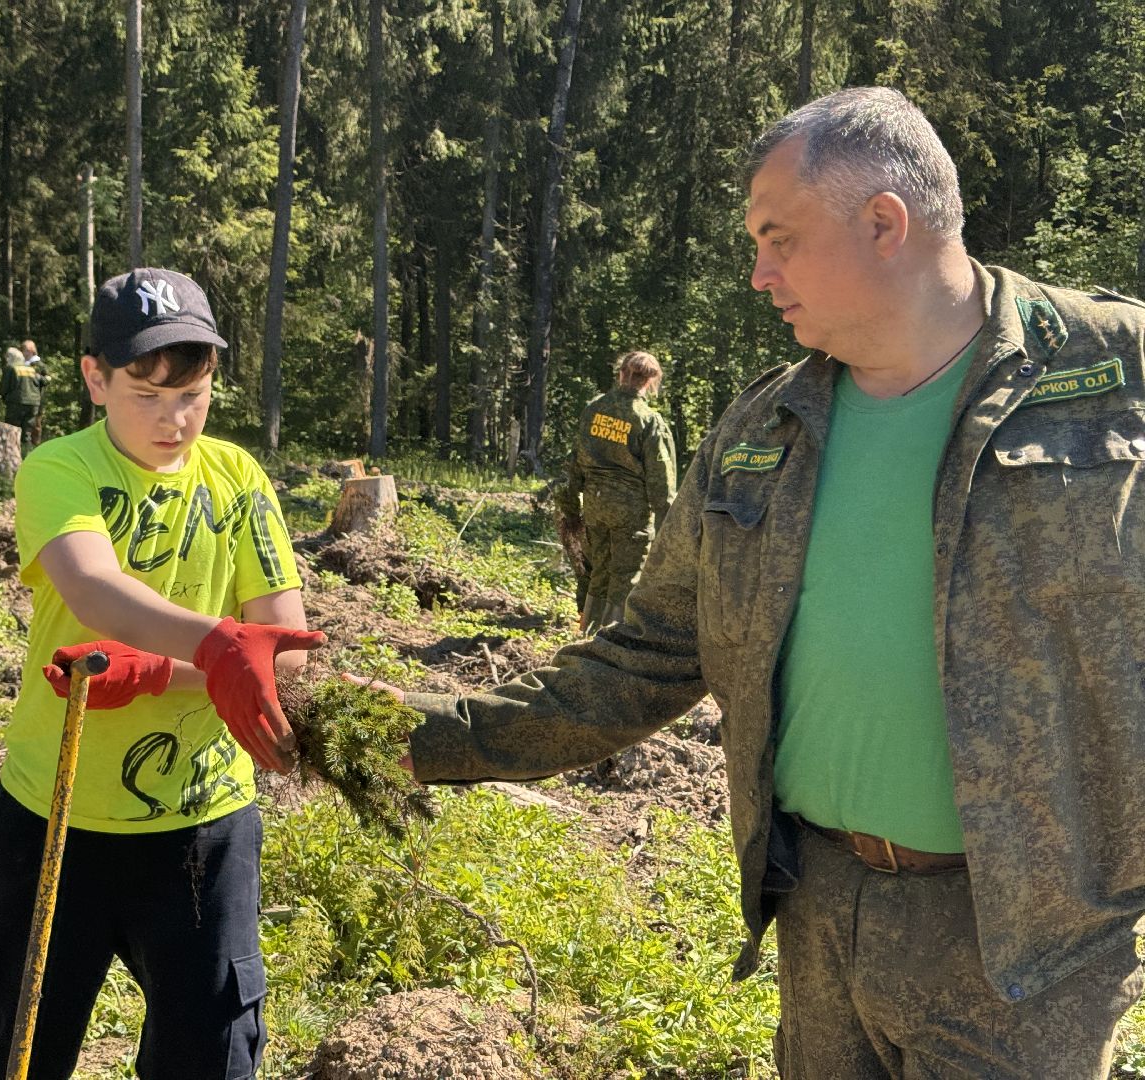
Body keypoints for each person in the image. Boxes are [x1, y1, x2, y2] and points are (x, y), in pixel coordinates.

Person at [358, 87, 1145, 1078]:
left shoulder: (1115, 372)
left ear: (883, 224)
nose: (758, 274)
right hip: (817, 912)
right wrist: (406, 733)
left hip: (1030, 951)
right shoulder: (763, 430)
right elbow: (645, 656)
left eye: (779, 239)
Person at [0, 267, 325, 1080]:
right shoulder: (60, 469)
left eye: (192, 394)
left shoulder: (238, 480)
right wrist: (213, 650)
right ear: (94, 378)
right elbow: (93, 586)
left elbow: (279, 648)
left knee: (211, 1056)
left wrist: (163, 673)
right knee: (10, 1054)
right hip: (53, 818)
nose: (173, 420)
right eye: (145, 393)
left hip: (203, 835)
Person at [561, 350, 676, 632]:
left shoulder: (593, 409)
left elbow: (575, 462)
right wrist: (669, 529)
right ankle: (611, 641)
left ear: (621, 373)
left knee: (599, 570)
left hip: (595, 506)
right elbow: (660, 480)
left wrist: (570, 508)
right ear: (650, 381)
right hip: (630, 511)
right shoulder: (648, 420)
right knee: (626, 576)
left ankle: (587, 631)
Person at [0, 340, 48, 453]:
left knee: (11, 430)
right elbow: (42, 382)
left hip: (17, 402)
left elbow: (4, 387)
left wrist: (5, 399)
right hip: (33, 403)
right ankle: (26, 455)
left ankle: (10, 455)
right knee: (27, 433)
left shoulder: (11, 369)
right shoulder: (31, 369)